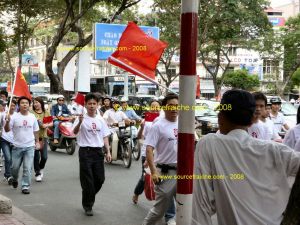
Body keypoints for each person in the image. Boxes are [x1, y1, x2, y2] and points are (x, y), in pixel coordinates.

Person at [192, 90, 300, 225]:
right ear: (252, 119)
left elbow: (201, 203)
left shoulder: (209, 144)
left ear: (221, 117)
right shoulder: (276, 151)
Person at [73, 93, 111, 216]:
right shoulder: (81, 118)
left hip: (98, 152)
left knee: (100, 179)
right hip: (85, 152)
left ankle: (88, 196)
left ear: (98, 104)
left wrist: (108, 151)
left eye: (94, 103)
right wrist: (79, 123)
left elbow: (105, 136)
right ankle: (88, 206)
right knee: (88, 180)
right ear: (85, 105)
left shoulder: (101, 119)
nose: (92, 106)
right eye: (89, 103)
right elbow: (74, 132)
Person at [142, 93, 179, 225]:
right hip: (165, 173)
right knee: (159, 211)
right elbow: (149, 149)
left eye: (177, 106)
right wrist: (153, 172)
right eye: (170, 106)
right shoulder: (158, 125)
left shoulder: (184, 123)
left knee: (186, 208)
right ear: (164, 107)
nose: (174, 108)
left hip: (183, 173)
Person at [4, 96, 40, 194]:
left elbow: (36, 130)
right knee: (14, 168)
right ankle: (15, 179)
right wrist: (7, 122)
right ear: (19, 105)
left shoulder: (32, 117)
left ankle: (25, 186)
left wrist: (37, 142)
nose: (24, 104)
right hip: (17, 147)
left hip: (29, 147)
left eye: (26, 103)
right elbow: (7, 130)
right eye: (22, 103)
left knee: (27, 168)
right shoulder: (14, 116)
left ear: (29, 105)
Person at [132, 100, 161, 204]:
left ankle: (161, 204)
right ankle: (136, 193)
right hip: (146, 152)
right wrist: (142, 127)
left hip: (159, 154)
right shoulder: (146, 121)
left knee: (161, 178)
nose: (155, 108)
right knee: (145, 177)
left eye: (157, 106)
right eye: (153, 106)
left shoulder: (162, 120)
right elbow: (139, 136)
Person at [32, 97, 53, 182]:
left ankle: (41, 168)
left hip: (43, 137)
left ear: (41, 103)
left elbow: (51, 122)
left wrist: (46, 125)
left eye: (37, 102)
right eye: (34, 103)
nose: (36, 104)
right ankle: (37, 173)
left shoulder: (46, 112)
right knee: (36, 157)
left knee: (44, 157)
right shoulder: (31, 112)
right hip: (33, 138)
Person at [1, 100, 16, 183]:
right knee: (8, 158)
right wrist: (7, 121)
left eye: (14, 105)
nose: (12, 107)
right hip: (4, 139)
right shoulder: (3, 115)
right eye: (11, 105)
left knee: (12, 160)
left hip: (14, 140)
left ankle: (7, 174)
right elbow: (3, 128)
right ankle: (9, 175)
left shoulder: (17, 116)